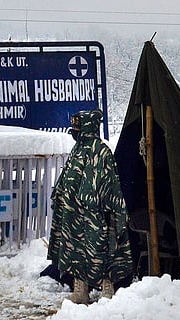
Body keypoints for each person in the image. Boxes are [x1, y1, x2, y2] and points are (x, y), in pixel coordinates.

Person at [47, 109, 133, 304]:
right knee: (76, 251)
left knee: (100, 249)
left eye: (78, 127)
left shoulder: (101, 151)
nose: (75, 131)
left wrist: (100, 205)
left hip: (96, 214)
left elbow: (109, 184)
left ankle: (107, 287)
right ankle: (81, 288)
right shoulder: (78, 150)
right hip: (74, 214)